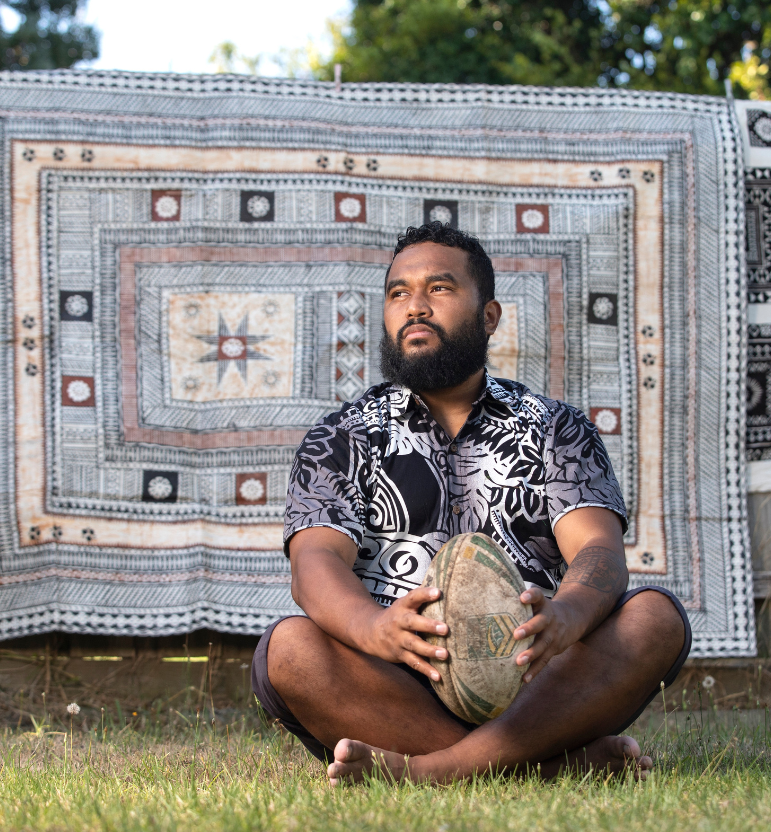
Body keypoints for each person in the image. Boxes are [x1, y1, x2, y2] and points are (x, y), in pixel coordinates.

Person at [251, 221, 692, 785]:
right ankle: (547, 766)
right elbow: (313, 565)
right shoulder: (343, 436)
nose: (414, 306)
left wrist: (566, 615)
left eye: (439, 288)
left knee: (654, 618)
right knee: (289, 650)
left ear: (489, 317)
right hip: (395, 680)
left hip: (531, 681)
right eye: (398, 293)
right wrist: (376, 628)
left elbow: (600, 553)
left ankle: (428, 773)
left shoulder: (557, 428)